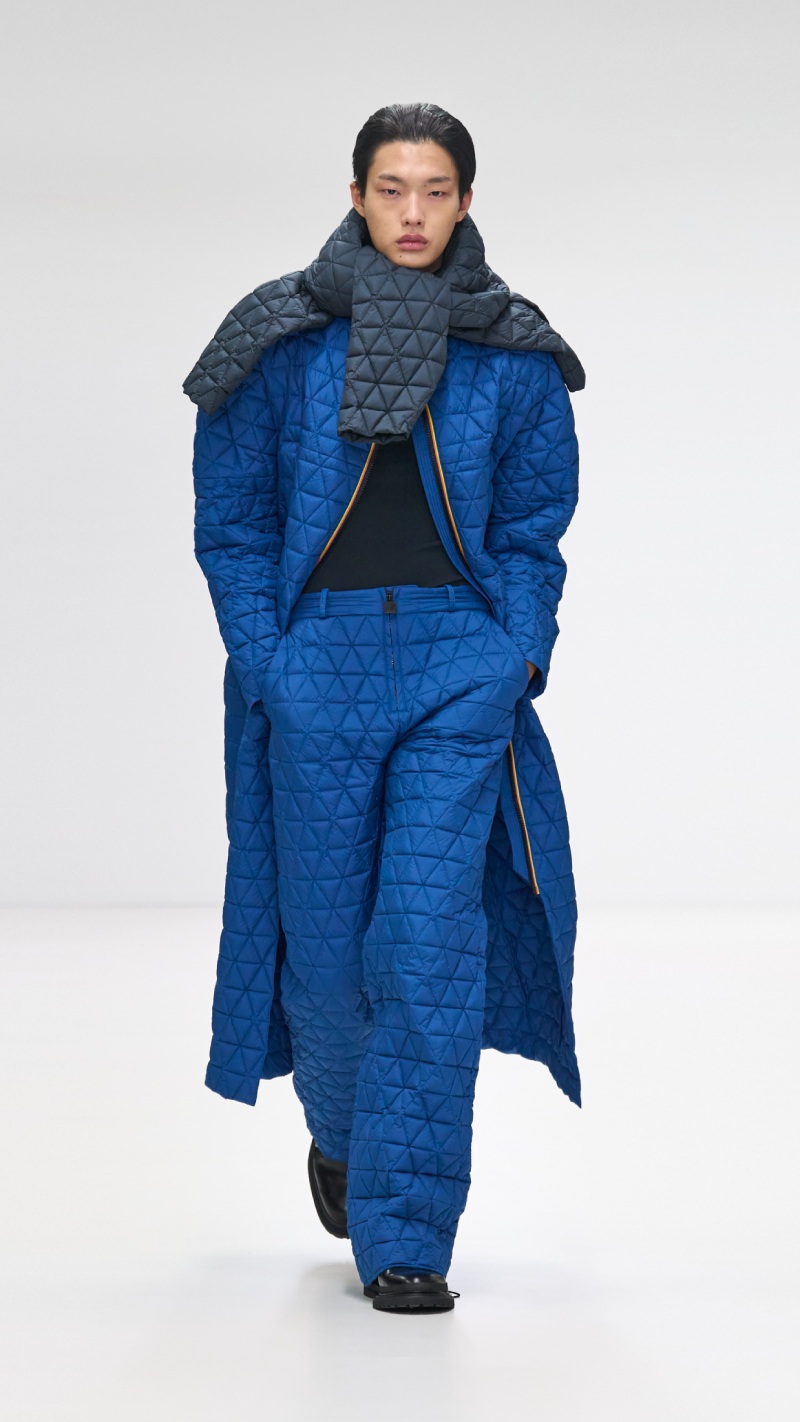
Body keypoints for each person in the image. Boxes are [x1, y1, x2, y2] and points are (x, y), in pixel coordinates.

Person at [183, 102, 585, 1314]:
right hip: (317, 670)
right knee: (322, 962)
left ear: (465, 202)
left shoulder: (512, 350)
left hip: (458, 672)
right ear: (356, 195)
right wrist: (271, 662)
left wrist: (513, 655)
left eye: (435, 190)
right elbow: (232, 524)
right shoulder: (278, 339)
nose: (413, 213)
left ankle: (407, 1237)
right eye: (391, 188)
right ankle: (348, 1142)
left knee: (425, 944)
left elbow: (532, 528)